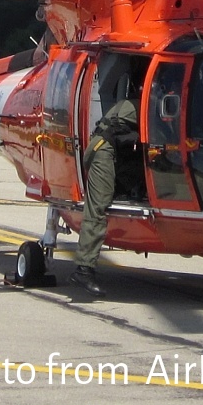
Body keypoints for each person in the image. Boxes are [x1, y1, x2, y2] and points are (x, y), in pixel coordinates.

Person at [71, 97, 138, 296]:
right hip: (103, 150)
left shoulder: (142, 101)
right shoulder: (152, 103)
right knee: (98, 206)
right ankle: (83, 269)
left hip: (111, 147)